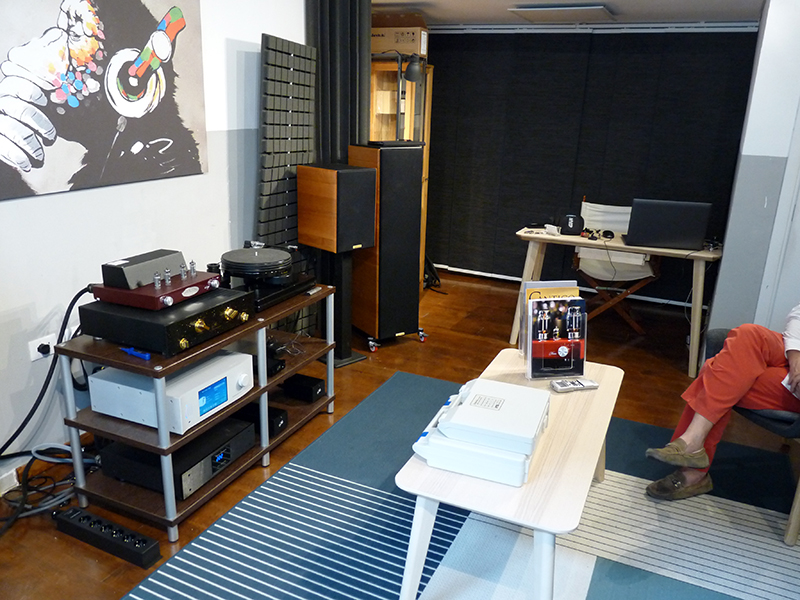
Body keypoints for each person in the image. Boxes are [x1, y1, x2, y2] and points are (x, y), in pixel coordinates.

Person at [645, 302, 800, 500]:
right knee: (749, 334)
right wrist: (796, 357)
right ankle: (693, 444)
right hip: (794, 350)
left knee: (718, 371)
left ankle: (692, 464)